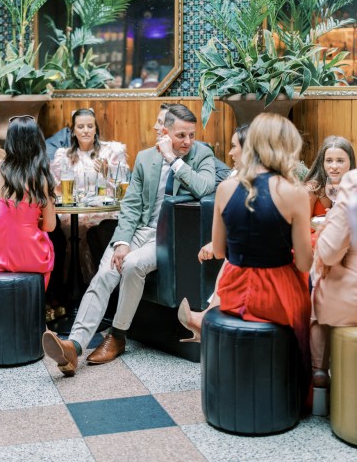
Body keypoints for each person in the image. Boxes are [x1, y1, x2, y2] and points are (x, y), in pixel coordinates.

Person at [43, 104, 216, 375]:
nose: (187, 141)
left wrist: (174, 159)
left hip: (172, 236)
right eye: (181, 135)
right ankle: (73, 347)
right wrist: (122, 241)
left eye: (191, 135)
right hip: (142, 231)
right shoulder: (146, 158)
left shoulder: (201, 154)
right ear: (165, 132)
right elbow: (132, 206)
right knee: (106, 271)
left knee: (133, 265)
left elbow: (205, 187)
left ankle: (118, 336)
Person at [213, 113, 313, 398]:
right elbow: (304, 262)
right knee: (307, 292)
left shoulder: (225, 188)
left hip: (232, 289)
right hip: (277, 294)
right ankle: (306, 381)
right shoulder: (294, 193)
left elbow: (219, 251)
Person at [178, 123, 249, 342]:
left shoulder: (257, 182)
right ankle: (208, 316)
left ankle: (207, 318)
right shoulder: (235, 175)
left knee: (234, 254)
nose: (229, 152)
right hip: (241, 240)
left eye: (234, 146)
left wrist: (218, 243)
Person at [50, 108, 128, 283]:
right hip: (73, 212)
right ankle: (73, 287)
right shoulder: (64, 156)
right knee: (70, 228)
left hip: (104, 210)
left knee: (95, 226)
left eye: (90, 126)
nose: (85, 130)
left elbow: (122, 191)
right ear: (73, 130)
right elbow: (55, 190)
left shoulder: (111, 151)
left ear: (96, 129)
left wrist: (108, 173)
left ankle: (101, 282)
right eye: (80, 126)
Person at [0, 115, 56, 288]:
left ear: (10, 140)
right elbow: (50, 226)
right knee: (48, 243)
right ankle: (36, 306)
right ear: (37, 141)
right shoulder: (40, 176)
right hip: (30, 257)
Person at [310, 168, 357, 404]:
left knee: (320, 281)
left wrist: (327, 227)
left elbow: (329, 253)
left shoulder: (353, 185)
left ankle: (319, 372)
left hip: (352, 300)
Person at [304, 136, 355, 218]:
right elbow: (302, 227)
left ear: (350, 161)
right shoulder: (312, 189)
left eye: (340, 160)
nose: (334, 166)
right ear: (322, 162)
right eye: (329, 160)